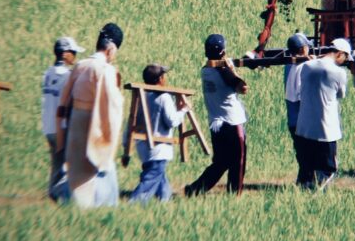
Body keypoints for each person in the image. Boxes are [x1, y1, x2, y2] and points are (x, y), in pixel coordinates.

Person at [57, 23, 125, 208]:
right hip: (94, 123)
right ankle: (101, 207)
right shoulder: (106, 70)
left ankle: (73, 205)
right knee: (97, 168)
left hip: (75, 122)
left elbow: (64, 100)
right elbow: (112, 106)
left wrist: (63, 125)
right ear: (111, 50)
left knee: (76, 169)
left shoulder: (80, 65)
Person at [186, 34, 250, 196]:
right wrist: (232, 69)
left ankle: (194, 189)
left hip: (216, 122)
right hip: (232, 122)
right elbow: (243, 88)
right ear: (223, 51)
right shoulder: (223, 72)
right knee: (238, 161)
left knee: (221, 162)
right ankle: (235, 194)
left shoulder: (205, 70)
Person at [125, 64, 190, 203]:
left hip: (143, 147)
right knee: (151, 178)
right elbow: (172, 121)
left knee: (160, 178)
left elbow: (131, 122)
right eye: (164, 76)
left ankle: (165, 202)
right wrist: (184, 110)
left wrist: (126, 147)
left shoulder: (141, 96)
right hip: (159, 147)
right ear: (160, 79)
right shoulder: (164, 97)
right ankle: (134, 204)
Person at [294, 39, 351, 190]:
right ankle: (318, 195)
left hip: (304, 126)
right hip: (326, 129)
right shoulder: (339, 72)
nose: (344, 61)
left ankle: (302, 191)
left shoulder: (306, 66)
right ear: (340, 54)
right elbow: (341, 94)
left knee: (306, 167)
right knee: (327, 169)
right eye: (345, 58)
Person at [41, 36, 84, 203]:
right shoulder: (68, 76)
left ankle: (53, 194)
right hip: (62, 127)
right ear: (65, 54)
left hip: (48, 127)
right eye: (73, 52)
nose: (75, 56)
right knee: (70, 163)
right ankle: (62, 196)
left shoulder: (47, 73)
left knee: (57, 162)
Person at [283, 32, 313, 184]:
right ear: (302, 49)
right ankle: (306, 183)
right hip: (303, 120)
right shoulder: (305, 67)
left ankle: (302, 181)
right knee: (309, 154)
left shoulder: (288, 65)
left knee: (302, 154)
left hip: (292, 120)